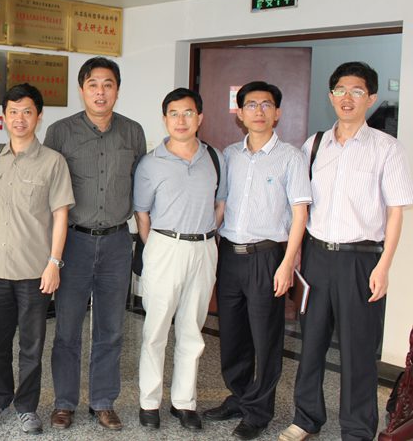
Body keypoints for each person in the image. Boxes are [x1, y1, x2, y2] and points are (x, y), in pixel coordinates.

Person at [280, 62, 413, 441]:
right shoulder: (314, 145)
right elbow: (300, 206)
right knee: (311, 343)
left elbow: (395, 212)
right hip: (316, 257)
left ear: (371, 98)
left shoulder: (386, 148)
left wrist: (384, 265)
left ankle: (356, 430)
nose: (347, 98)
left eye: (357, 91)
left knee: (358, 351)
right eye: (340, 90)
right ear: (331, 96)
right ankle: (306, 418)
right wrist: (295, 255)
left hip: (361, 259)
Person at [203, 82, 310, 440]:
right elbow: (219, 206)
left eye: (266, 105)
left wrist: (288, 263)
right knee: (232, 335)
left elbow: (300, 215)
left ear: (277, 113)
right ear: (240, 113)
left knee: (266, 339)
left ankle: (259, 411)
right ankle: (239, 396)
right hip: (230, 256)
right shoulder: (229, 155)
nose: (259, 111)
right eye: (251, 105)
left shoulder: (291, 157)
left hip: (267, 256)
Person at [45, 56, 146, 431]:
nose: (100, 92)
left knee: (111, 329)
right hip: (73, 242)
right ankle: (64, 402)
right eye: (93, 84)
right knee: (67, 328)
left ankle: (103, 401)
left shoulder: (132, 132)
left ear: (117, 89)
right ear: (81, 89)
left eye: (108, 84)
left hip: (118, 242)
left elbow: (141, 186)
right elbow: (48, 191)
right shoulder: (60, 132)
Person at [0, 84, 75, 435]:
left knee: (32, 346)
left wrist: (54, 263)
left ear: (39, 116)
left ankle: (27, 407)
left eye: (27, 111)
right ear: (4, 116)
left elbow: (60, 215)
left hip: (35, 271)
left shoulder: (53, 162)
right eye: (13, 112)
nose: (20, 118)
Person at [134, 87, 226, 431]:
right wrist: (157, 246)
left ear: (200, 117)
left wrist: (205, 237)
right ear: (165, 119)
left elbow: (220, 204)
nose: (181, 120)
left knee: (192, 329)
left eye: (188, 113)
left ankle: (184, 403)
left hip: (203, 247)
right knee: (155, 329)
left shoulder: (215, 158)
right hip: (164, 246)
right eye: (174, 113)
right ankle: (149, 402)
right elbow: (142, 213)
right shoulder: (150, 163)